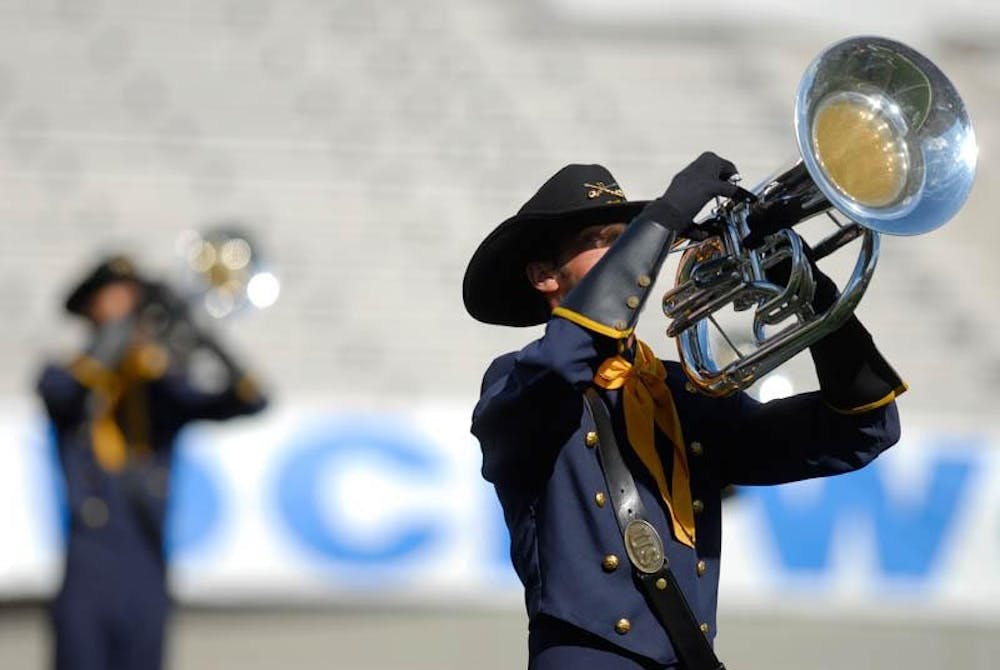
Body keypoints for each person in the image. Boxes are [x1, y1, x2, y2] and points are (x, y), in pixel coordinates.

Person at [462, 153, 905, 669]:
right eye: (603, 241)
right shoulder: (517, 379)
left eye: (626, 237)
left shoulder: (680, 390)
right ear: (544, 276)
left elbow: (862, 429)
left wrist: (813, 294)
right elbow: (567, 356)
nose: (627, 254)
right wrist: (667, 214)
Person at [36, 255, 268, 670]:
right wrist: (122, 329)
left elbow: (252, 398)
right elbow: (75, 388)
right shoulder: (63, 377)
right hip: (89, 574)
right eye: (118, 298)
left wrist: (201, 333)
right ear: (91, 308)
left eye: (135, 299)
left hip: (147, 570)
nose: (131, 307)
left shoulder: (161, 392)